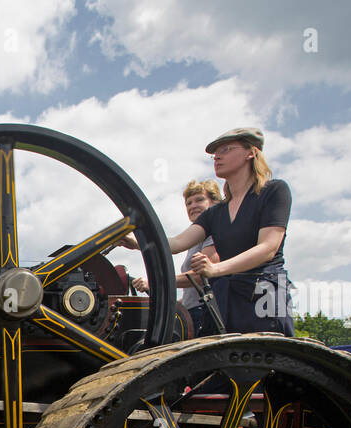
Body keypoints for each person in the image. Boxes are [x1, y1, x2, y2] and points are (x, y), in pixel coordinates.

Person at [124, 127, 293, 335]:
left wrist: (216, 270)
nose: (217, 157)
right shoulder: (216, 212)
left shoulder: (274, 191)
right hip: (227, 298)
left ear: (252, 152)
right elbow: (176, 243)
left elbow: (268, 248)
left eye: (226, 149)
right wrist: (137, 241)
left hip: (265, 293)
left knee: (268, 359)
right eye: (215, 154)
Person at [133, 180, 222, 332]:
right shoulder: (195, 240)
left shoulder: (214, 231)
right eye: (188, 203)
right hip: (193, 311)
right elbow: (190, 294)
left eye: (199, 200)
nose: (192, 206)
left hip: (206, 312)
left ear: (215, 202)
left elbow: (202, 276)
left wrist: (156, 282)